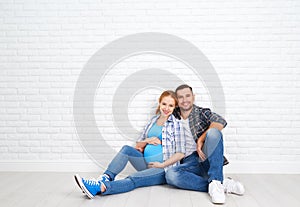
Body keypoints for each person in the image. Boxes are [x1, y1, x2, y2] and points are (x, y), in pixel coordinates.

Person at [74, 90, 185, 198]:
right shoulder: (153, 121)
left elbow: (181, 153)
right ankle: (106, 177)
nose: (166, 108)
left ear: (175, 107)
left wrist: (161, 165)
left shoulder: (176, 124)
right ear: (159, 103)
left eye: (170, 105)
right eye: (164, 104)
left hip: (162, 169)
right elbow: (138, 144)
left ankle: (100, 188)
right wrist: (148, 140)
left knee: (133, 178)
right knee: (126, 149)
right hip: (145, 163)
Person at [165, 84, 245, 204]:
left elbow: (220, 122)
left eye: (187, 96)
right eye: (180, 97)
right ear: (177, 100)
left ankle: (216, 183)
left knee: (214, 132)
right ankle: (220, 184)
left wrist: (201, 139)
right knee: (171, 175)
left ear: (193, 97)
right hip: (188, 162)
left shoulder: (201, 112)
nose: (185, 100)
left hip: (205, 156)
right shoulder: (172, 115)